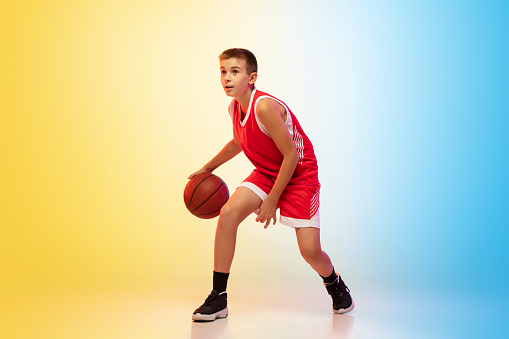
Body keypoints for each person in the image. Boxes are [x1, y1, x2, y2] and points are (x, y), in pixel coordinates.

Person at [189, 48, 354, 322]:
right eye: (223, 71)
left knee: (310, 251)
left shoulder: (264, 106)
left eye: (234, 71)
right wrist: (208, 168)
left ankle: (334, 282)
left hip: (300, 175)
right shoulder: (234, 107)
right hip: (268, 171)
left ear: (252, 77)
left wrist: (271, 199)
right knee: (228, 214)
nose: (227, 78)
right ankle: (218, 297)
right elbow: (238, 143)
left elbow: (291, 156)